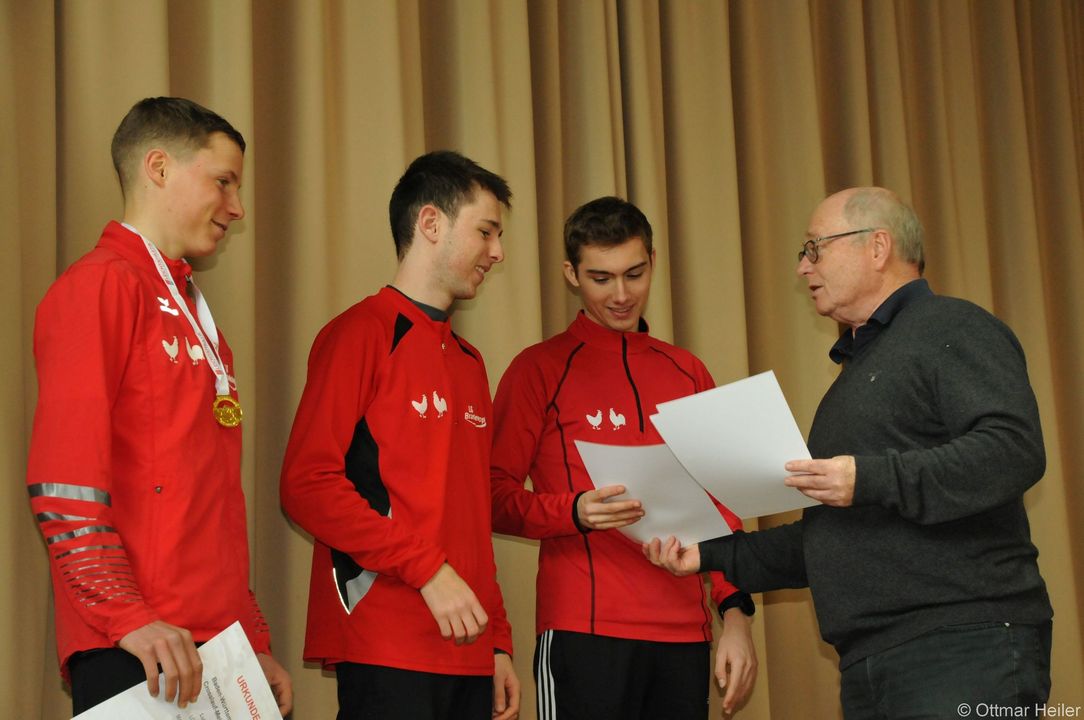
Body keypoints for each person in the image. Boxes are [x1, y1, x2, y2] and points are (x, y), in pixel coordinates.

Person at [646, 187, 1053, 719]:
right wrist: (711, 555)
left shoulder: (953, 326)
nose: (801, 267)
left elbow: (1013, 451)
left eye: (815, 248)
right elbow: (833, 537)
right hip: (871, 660)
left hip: (963, 643)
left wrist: (867, 480)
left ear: (878, 247)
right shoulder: (851, 381)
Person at [26, 97, 292, 716]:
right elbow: (64, 480)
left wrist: (249, 639)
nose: (237, 208)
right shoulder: (99, 286)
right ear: (158, 167)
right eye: (223, 181)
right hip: (139, 646)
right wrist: (127, 617)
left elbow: (211, 501)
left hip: (211, 650)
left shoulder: (190, 308)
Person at [491, 196, 757, 720]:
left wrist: (737, 618)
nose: (620, 294)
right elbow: (490, 496)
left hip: (684, 634)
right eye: (601, 278)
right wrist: (573, 513)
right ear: (571, 273)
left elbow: (722, 511)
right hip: (583, 631)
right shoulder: (538, 369)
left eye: (634, 274)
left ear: (653, 261)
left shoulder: (688, 372)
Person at [280, 150, 520, 720]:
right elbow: (306, 484)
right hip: (386, 642)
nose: (498, 252)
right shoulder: (360, 334)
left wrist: (500, 640)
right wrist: (427, 570)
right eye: (486, 232)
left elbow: (472, 515)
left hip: (469, 650)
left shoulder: (469, 362)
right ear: (431, 223)